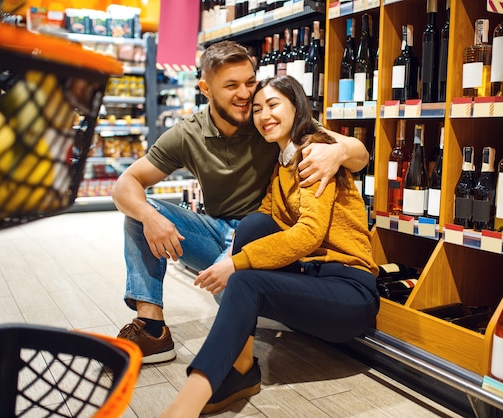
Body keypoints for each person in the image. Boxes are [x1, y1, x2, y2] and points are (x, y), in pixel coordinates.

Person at [111, 40, 369, 364]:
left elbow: (359, 155)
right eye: (231, 85)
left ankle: (251, 338)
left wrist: (339, 151)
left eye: (250, 82)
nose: (246, 95)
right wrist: (150, 217)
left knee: (230, 285)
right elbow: (125, 185)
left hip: (262, 233)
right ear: (205, 88)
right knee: (139, 213)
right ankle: (151, 328)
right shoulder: (187, 134)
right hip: (214, 230)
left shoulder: (269, 119)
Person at [159, 75, 380, 417]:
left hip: (348, 290)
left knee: (245, 278)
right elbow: (264, 217)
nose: (264, 116)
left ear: (297, 107)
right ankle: (242, 367)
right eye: (258, 109)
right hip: (312, 279)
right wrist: (233, 256)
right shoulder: (282, 165)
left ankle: (185, 405)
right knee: (254, 225)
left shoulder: (314, 154)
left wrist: (235, 264)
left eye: (274, 105)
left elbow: (308, 233)